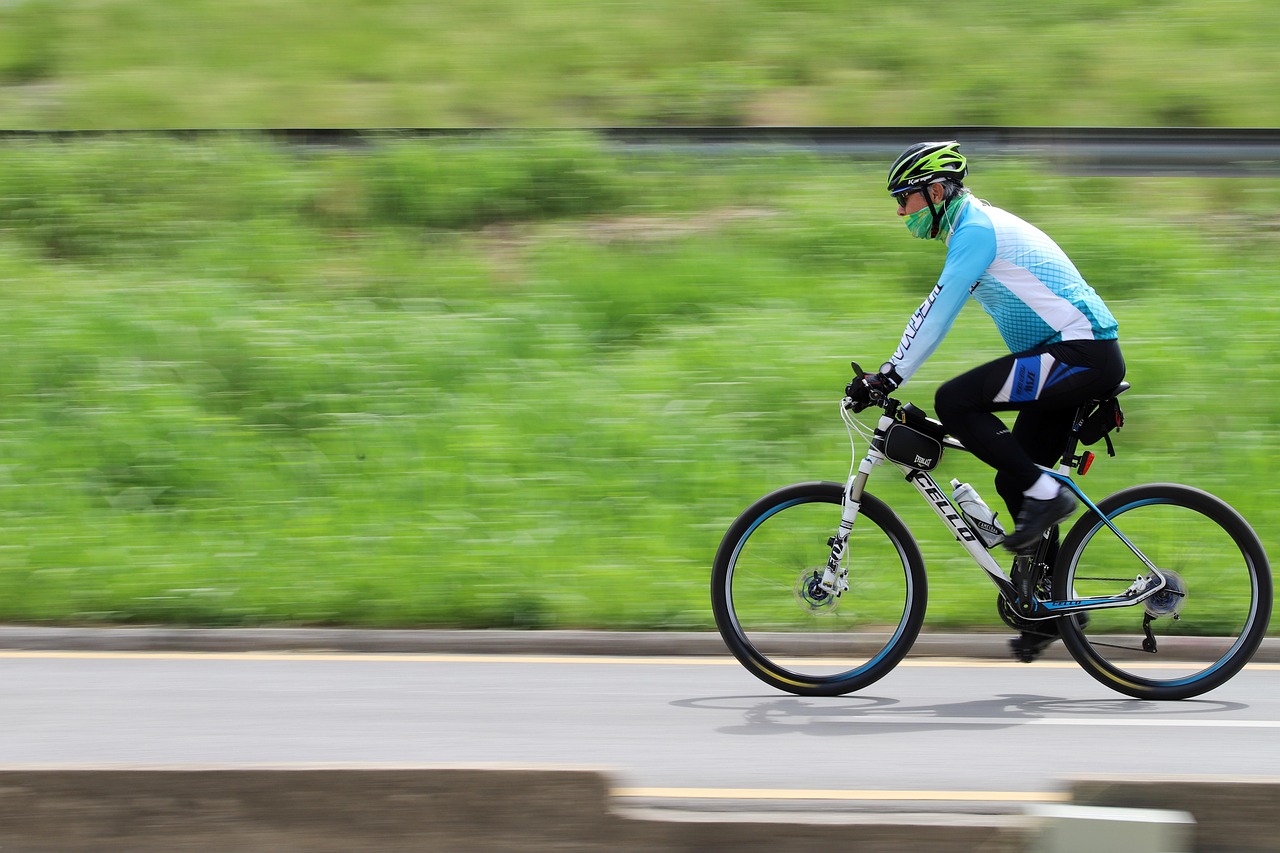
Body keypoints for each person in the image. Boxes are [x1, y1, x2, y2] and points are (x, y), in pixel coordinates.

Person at [847, 141, 1126, 660]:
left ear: (935, 192)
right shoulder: (971, 226)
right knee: (1011, 473)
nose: (900, 212)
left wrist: (887, 376)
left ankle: (1048, 496)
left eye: (904, 199)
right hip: (1067, 356)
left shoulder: (975, 231)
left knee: (956, 401)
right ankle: (1049, 607)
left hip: (1080, 355)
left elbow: (936, 314)